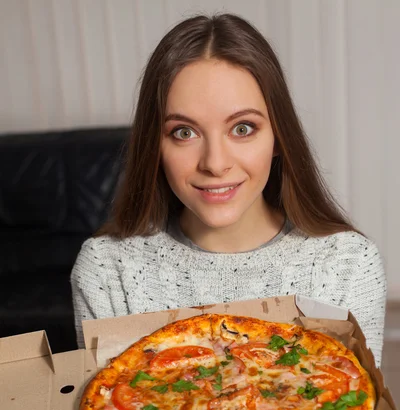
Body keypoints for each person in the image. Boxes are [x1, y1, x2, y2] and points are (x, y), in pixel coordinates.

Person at [70, 12, 387, 366]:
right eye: (184, 132)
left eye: (242, 128)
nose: (215, 163)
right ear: (155, 148)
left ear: (279, 137)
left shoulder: (347, 264)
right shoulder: (108, 270)